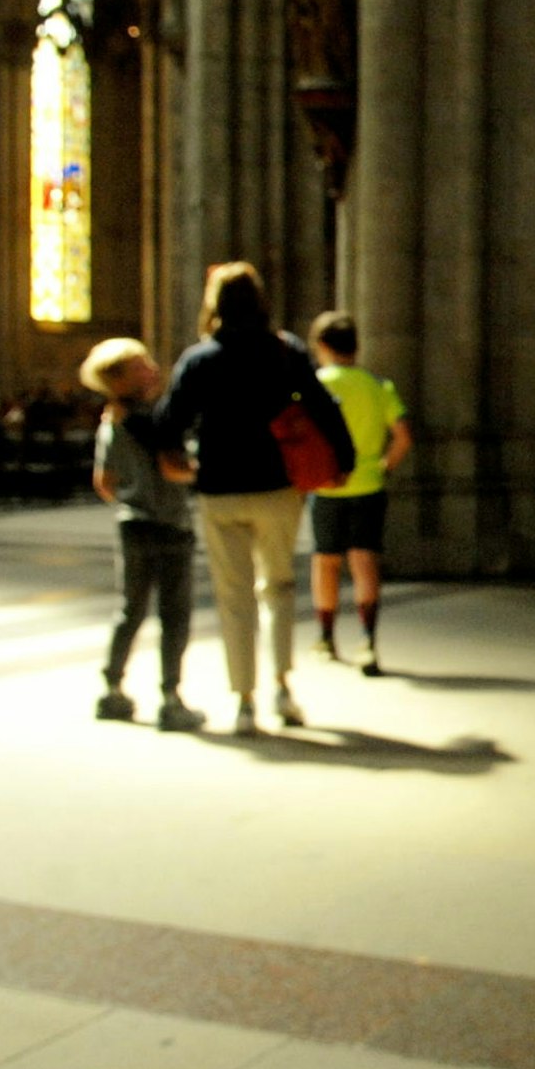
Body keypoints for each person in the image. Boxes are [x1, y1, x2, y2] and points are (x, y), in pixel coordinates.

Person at [156, 262, 353, 736]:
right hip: (276, 487)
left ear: (215, 305)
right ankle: (283, 690)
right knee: (279, 587)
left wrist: (182, 464)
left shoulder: (199, 359)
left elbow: (168, 423)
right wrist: (343, 459)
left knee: (234, 596)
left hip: (219, 489)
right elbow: (321, 404)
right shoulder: (286, 351)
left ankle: (244, 703)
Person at [79, 338, 206, 731]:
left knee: (129, 610)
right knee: (175, 614)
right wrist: (201, 472)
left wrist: (133, 494)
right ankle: (170, 698)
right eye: (141, 365)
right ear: (120, 377)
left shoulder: (110, 421)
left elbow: (104, 482)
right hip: (170, 523)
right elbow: (173, 469)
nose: (152, 368)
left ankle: (112, 689)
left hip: (132, 524)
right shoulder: (157, 419)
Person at [307, 311, 411, 676]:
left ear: (322, 346)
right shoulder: (376, 385)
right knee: (364, 561)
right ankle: (367, 640)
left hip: (327, 485)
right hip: (368, 484)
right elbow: (402, 436)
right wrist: (384, 465)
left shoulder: (318, 384)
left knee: (325, 562)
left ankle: (326, 637)